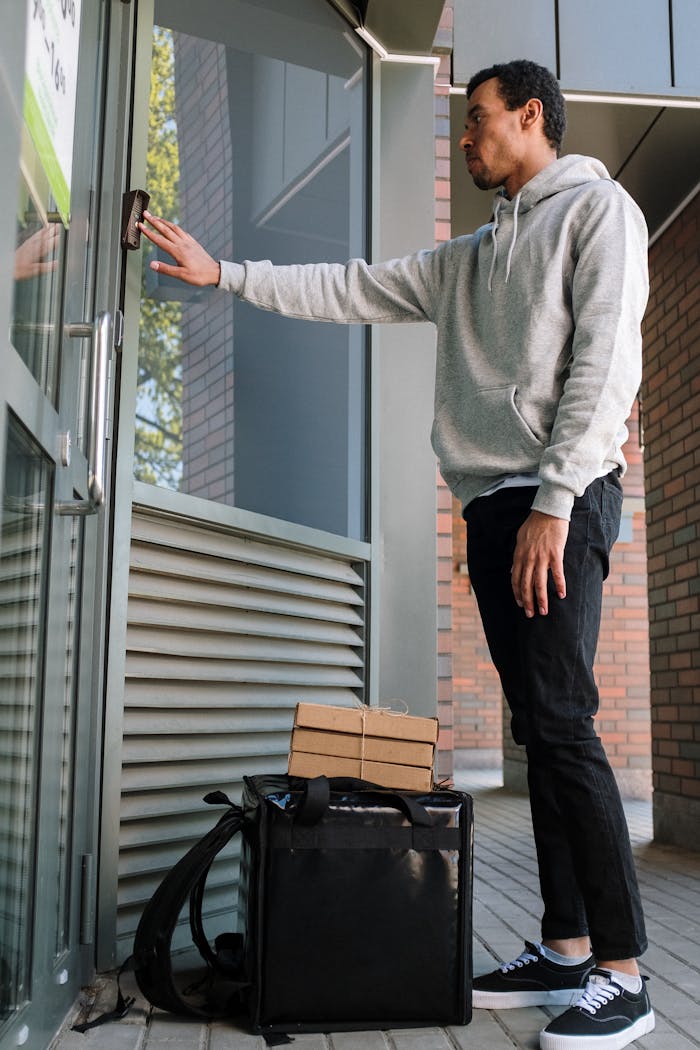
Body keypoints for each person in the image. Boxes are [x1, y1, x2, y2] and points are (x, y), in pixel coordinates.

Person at [139, 58, 654, 1050]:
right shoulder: (473, 256)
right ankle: (562, 946)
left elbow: (604, 363)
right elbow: (356, 287)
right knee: (538, 731)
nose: (464, 141)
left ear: (530, 117)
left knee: (562, 723)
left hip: (559, 497)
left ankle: (624, 974)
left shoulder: (599, 213)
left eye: (478, 122)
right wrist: (227, 273)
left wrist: (554, 500)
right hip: (494, 505)